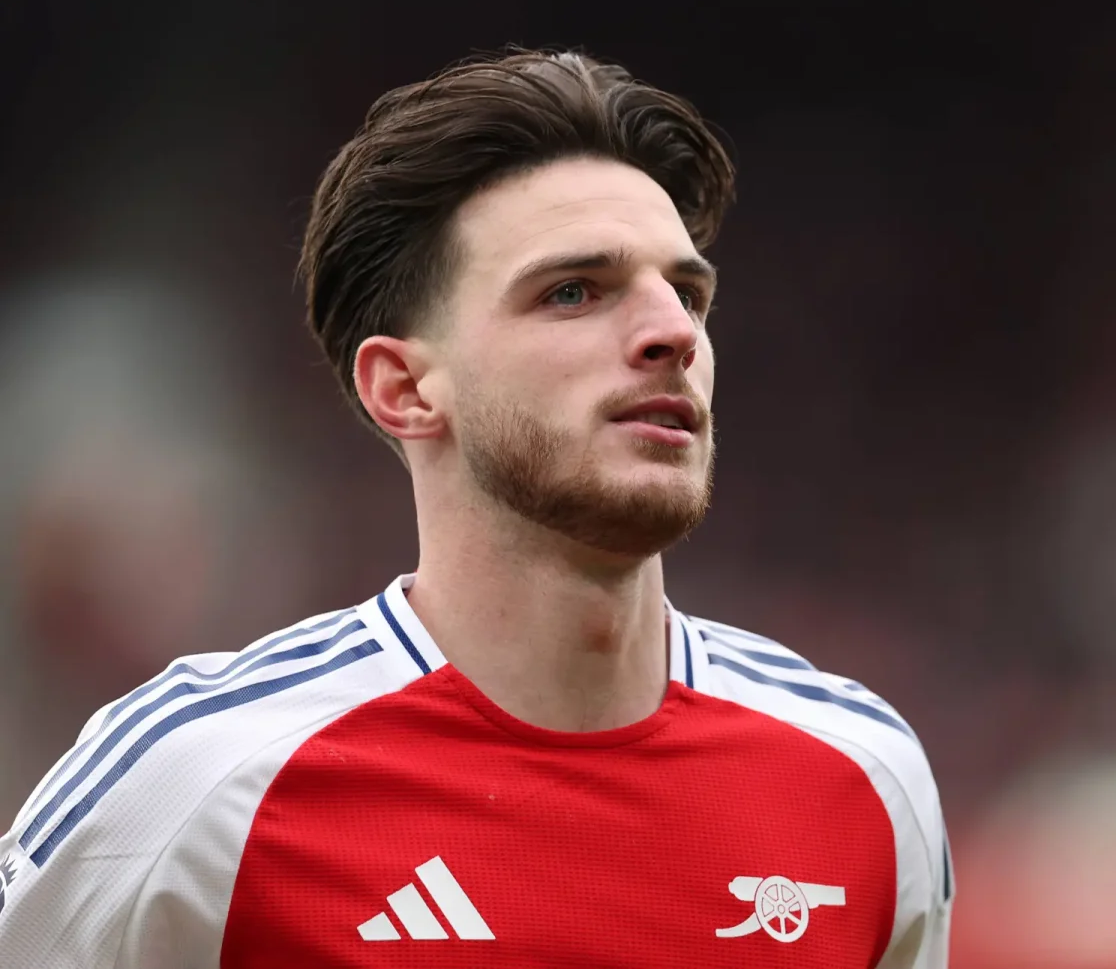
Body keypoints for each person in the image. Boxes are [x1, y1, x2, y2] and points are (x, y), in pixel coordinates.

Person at [0, 47, 952, 967]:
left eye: (687, 293)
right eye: (573, 292)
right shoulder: (196, 782)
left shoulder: (865, 777)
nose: (673, 332)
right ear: (407, 390)